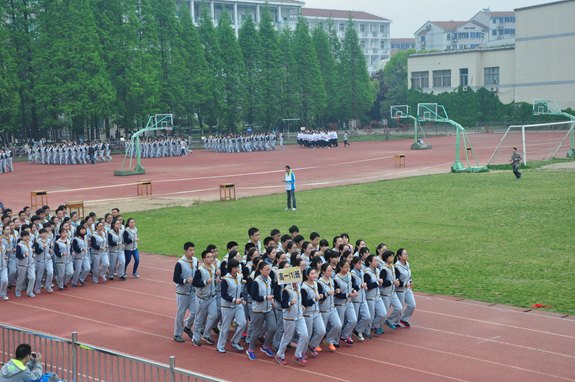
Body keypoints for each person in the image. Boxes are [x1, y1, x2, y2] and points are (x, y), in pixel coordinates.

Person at [217, 257, 247, 353]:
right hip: (227, 306)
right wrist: (235, 300)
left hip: (237, 305)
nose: (236, 269)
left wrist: (242, 299)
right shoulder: (226, 279)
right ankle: (220, 345)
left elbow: (239, 290)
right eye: (234, 267)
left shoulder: (238, 276)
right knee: (225, 327)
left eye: (237, 267)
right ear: (230, 268)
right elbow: (224, 295)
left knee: (243, 322)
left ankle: (235, 341)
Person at [173, 242, 198, 343]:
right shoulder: (180, 263)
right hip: (182, 293)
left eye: (193, 250)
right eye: (190, 250)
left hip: (193, 291)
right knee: (181, 314)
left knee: (196, 311)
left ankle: (187, 326)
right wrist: (186, 281)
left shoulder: (195, 260)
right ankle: (177, 334)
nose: (192, 252)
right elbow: (175, 278)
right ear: (185, 251)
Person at [388, 248, 416, 328]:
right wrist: (404, 284)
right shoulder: (396, 267)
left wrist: (410, 281)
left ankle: (404, 319)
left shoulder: (407, 264)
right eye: (405, 254)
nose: (406, 256)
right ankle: (394, 321)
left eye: (407, 254)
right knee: (399, 307)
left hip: (407, 289)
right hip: (400, 290)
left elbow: (408, 275)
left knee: (412, 305)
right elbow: (396, 280)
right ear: (399, 256)